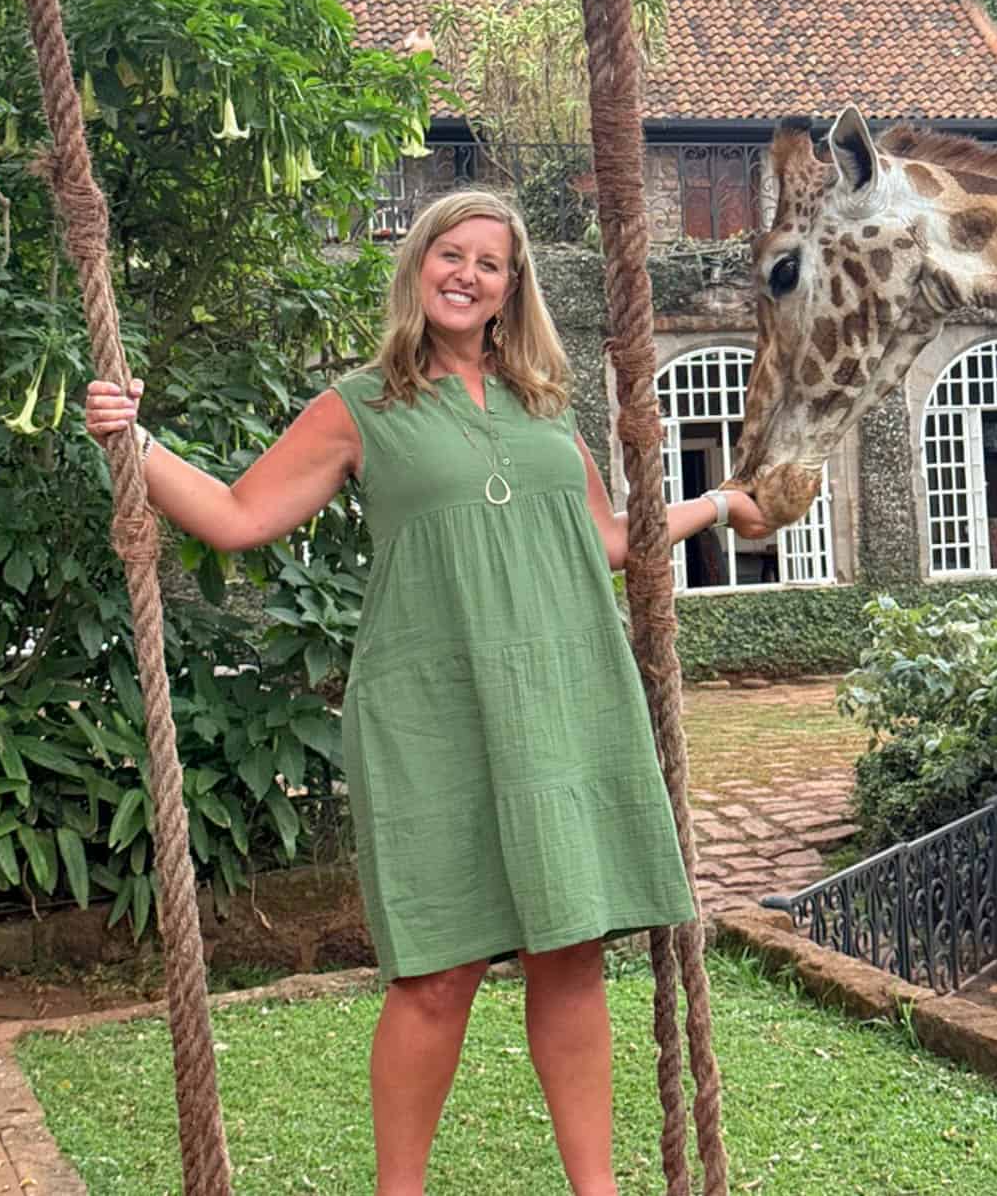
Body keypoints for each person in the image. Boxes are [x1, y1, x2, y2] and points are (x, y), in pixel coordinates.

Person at [86, 189, 770, 1196]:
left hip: (563, 696)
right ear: (418, 266)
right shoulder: (361, 405)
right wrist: (132, 441)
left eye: (490, 263)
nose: (468, 274)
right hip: (429, 710)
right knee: (437, 969)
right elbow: (235, 517)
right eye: (451, 253)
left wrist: (716, 503)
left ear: (510, 288)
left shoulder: (544, 403)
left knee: (571, 952)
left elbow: (602, 541)